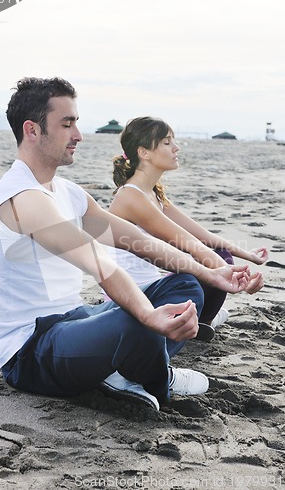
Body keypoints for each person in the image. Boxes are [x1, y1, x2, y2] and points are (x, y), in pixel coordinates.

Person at [0, 78, 251, 412]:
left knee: (182, 286)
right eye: (67, 124)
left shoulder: (68, 193)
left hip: (75, 319)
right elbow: (101, 265)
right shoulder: (21, 199)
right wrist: (148, 315)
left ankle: (124, 368)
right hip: (32, 350)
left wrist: (213, 272)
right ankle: (155, 377)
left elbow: (141, 243)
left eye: (76, 122)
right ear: (32, 130)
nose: (78, 135)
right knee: (134, 321)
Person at [108, 116, 268, 341]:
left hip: (152, 288)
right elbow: (189, 244)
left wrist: (249, 257)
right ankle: (197, 323)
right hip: (134, 299)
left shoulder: (152, 193)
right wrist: (239, 281)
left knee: (218, 253)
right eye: (166, 142)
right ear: (144, 152)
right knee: (195, 273)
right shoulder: (131, 196)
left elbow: (203, 236)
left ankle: (200, 323)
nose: (176, 147)